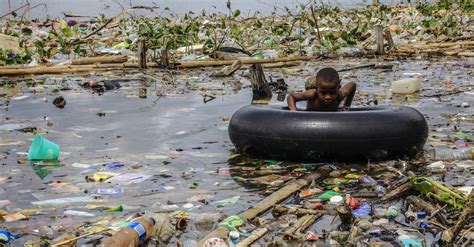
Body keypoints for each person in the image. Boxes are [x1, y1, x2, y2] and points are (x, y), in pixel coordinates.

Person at [287, 67, 356, 111]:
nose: (328, 97)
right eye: (323, 93)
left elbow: (352, 85)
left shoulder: (339, 95)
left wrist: (346, 105)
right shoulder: (312, 94)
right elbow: (291, 97)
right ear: (316, 89)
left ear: (338, 88)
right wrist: (294, 112)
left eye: (332, 93)